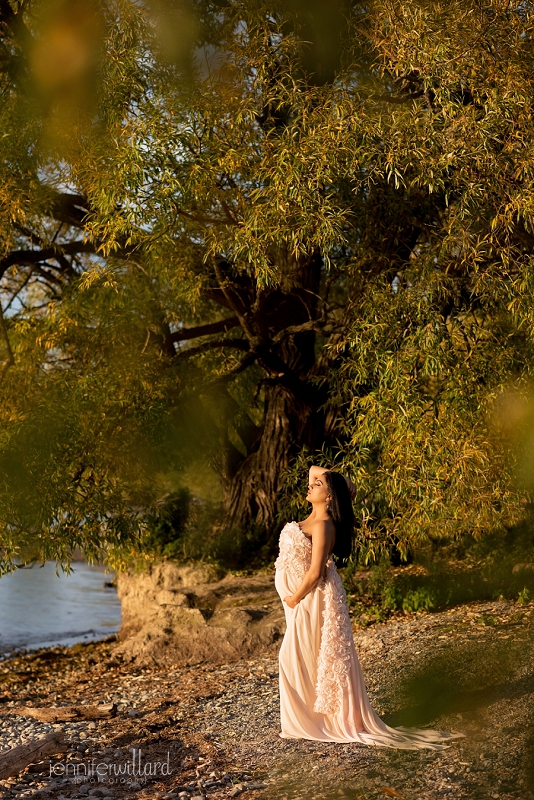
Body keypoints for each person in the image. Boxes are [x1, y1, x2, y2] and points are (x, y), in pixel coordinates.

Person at [274, 464, 464, 749]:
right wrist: (343, 481)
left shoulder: (324, 525)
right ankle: (306, 718)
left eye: (319, 485)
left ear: (329, 498)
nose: (311, 485)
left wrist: (293, 598)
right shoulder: (312, 516)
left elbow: (314, 573)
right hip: (300, 600)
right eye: (314, 484)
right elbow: (315, 468)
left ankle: (310, 720)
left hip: (310, 600)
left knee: (292, 657)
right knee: (301, 656)